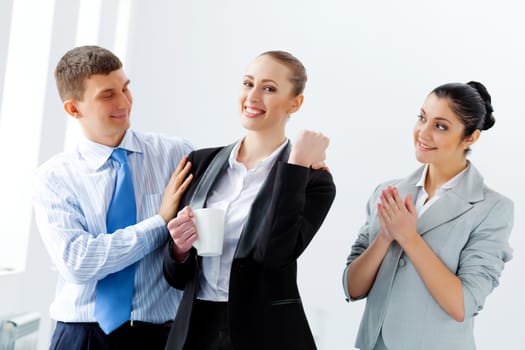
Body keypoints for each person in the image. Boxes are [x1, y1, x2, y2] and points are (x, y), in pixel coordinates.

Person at [162, 50, 336, 350]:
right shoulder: (199, 164)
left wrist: (294, 167)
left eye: (269, 88)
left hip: (265, 334)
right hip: (195, 329)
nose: (253, 96)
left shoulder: (312, 180)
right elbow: (176, 278)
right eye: (248, 83)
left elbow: (274, 255)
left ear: (296, 102)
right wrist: (178, 249)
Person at [32, 45, 194, 350]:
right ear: (74, 109)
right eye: (108, 95)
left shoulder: (176, 154)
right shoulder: (54, 177)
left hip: (159, 335)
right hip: (81, 336)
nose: (124, 102)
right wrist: (159, 222)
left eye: (125, 88)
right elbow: (78, 262)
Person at [343, 81, 514, 350]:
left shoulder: (491, 209)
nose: (423, 132)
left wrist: (409, 238)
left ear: (470, 137)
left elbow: (463, 304)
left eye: (441, 126)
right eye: (422, 118)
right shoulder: (387, 192)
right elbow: (352, 289)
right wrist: (385, 238)